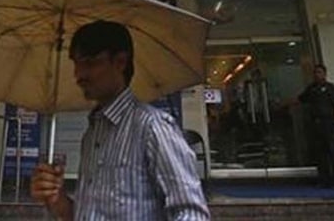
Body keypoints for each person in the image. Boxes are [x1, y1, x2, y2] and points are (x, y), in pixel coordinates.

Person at [30, 20, 210, 220]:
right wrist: (58, 200)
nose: (78, 74)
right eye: (76, 63)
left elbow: (192, 214)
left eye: (90, 62)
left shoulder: (152, 127)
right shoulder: (91, 135)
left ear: (120, 62)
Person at [297, 63, 334, 188]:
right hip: (316, 123)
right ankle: (324, 180)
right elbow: (300, 99)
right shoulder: (311, 88)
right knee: (320, 153)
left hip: (328, 122)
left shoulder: (330, 87)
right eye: (315, 72)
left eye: (319, 72)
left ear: (324, 74)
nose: (317, 75)